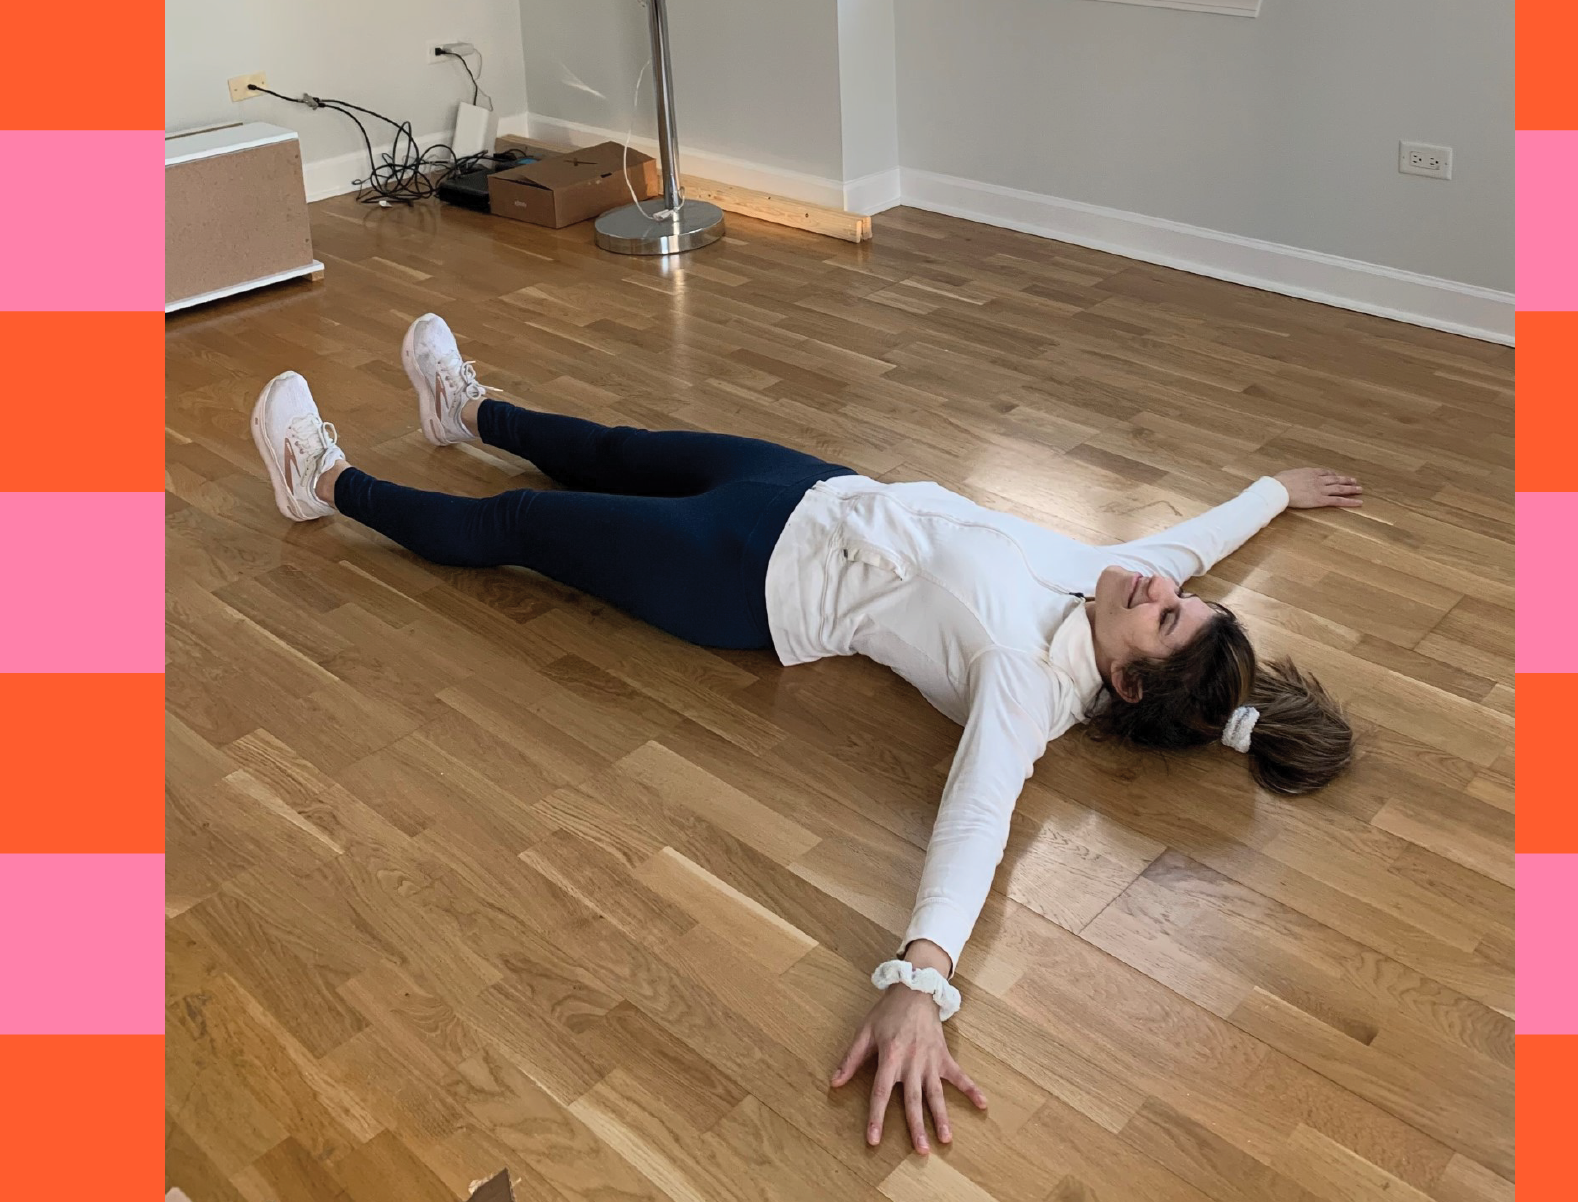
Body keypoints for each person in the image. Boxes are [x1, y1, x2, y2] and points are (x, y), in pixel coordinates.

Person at [252, 313, 1360, 1156]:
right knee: (617, 447)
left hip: (744, 576)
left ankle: (325, 484)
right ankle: (467, 413)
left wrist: (920, 984)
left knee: (524, 525)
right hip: (807, 487)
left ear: (1123, 681)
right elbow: (1196, 539)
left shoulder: (1025, 685)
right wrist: (1274, 490)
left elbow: (975, 826)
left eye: (1166, 612)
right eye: (1178, 596)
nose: (1160, 581)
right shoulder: (1108, 584)